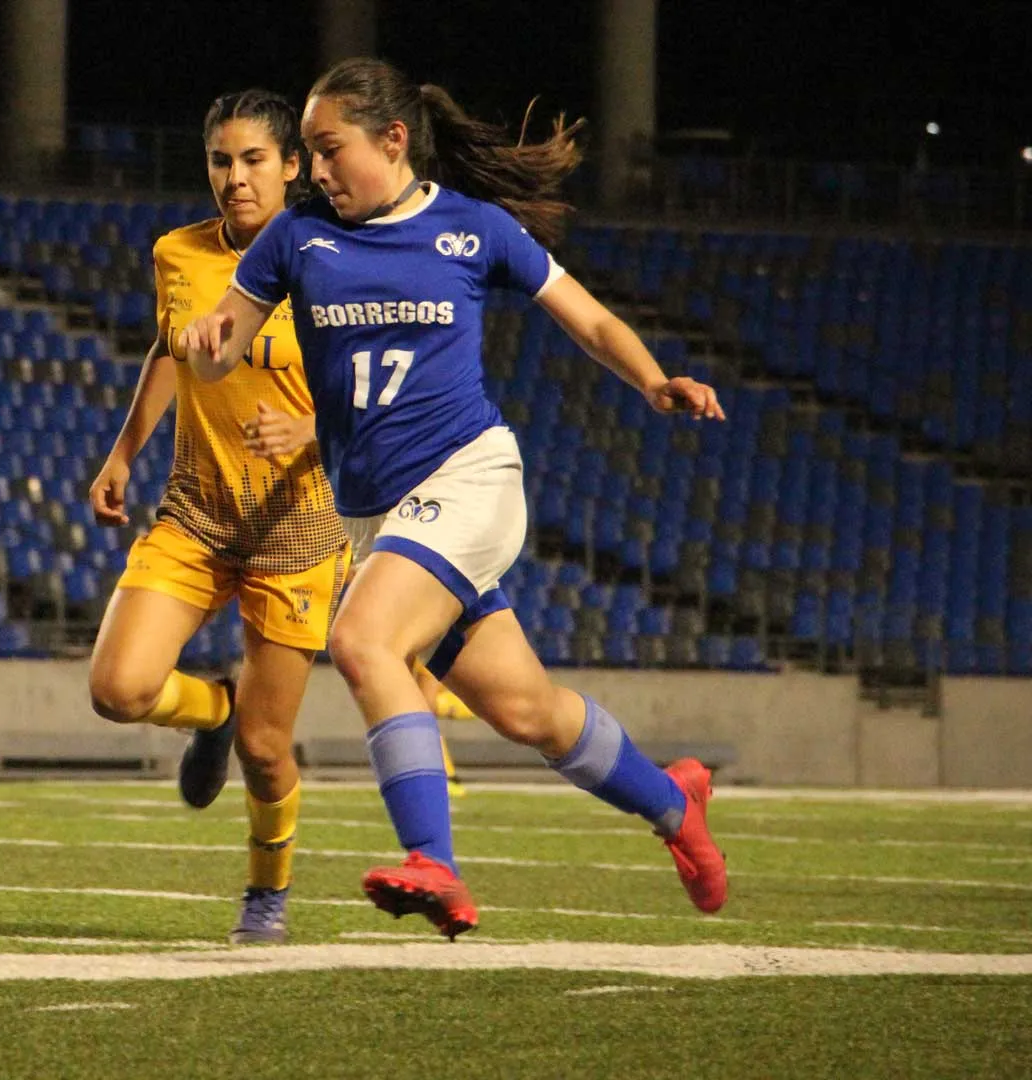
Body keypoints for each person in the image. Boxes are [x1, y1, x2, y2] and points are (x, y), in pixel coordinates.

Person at [176, 58, 728, 939]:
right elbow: (218, 352)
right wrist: (206, 340)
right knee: (526, 711)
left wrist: (655, 381)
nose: (314, 172)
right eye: (311, 155)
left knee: (360, 638)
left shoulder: (473, 230)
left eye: (328, 150)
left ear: (392, 141)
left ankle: (435, 860)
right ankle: (674, 804)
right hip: (377, 518)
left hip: (467, 479)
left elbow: (584, 316)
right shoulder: (297, 240)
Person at [86, 89, 352, 945]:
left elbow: (390, 388)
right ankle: (213, 709)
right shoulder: (178, 253)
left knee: (269, 754)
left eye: (252, 162)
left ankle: (265, 896)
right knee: (117, 689)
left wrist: (313, 426)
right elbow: (171, 348)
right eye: (220, 161)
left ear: (290, 168)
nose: (234, 179)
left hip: (299, 529)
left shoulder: (339, 258)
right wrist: (124, 451)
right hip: (198, 512)